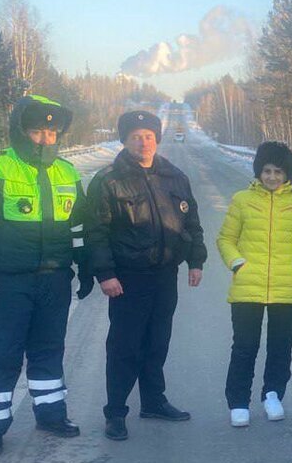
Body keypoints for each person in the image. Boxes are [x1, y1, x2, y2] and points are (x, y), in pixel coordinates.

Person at [0, 95, 92, 456]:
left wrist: (85, 263)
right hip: (6, 280)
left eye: (51, 132)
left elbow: (78, 225)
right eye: (36, 131)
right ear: (20, 130)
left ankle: (51, 414)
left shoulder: (68, 172)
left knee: (48, 350)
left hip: (54, 278)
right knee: (3, 352)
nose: (44, 139)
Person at [85, 110, 207, 441]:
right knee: (125, 346)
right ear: (124, 140)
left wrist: (196, 260)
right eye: (136, 136)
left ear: (157, 138)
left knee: (157, 342)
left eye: (149, 135)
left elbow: (191, 222)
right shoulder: (108, 180)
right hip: (128, 278)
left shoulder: (174, 176)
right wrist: (106, 274)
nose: (144, 141)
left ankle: (153, 401)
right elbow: (96, 231)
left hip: (165, 274)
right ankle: (115, 412)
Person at [217, 142, 292, 427]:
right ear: (259, 171)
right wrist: (238, 263)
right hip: (248, 286)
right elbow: (225, 239)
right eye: (267, 171)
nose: (272, 177)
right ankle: (238, 402)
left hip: (286, 287)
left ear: (288, 174)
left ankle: (273, 394)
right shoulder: (241, 200)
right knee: (245, 346)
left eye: (278, 172)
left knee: (280, 346)